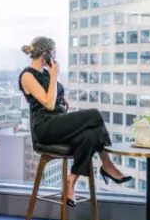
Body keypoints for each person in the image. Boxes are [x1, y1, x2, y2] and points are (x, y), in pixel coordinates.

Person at [19, 36, 132, 206]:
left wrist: (61, 100)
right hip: (44, 128)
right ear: (46, 54)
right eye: (54, 54)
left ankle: (71, 181)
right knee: (94, 114)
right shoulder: (27, 75)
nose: (55, 59)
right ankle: (107, 165)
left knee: (91, 135)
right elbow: (48, 104)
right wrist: (55, 76)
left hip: (57, 122)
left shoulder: (46, 74)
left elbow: (54, 99)